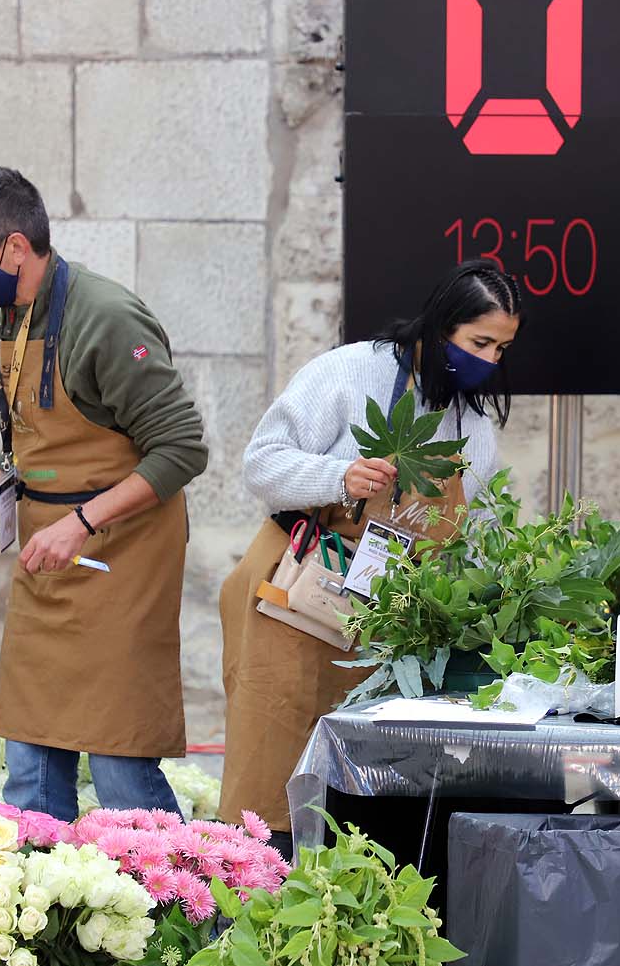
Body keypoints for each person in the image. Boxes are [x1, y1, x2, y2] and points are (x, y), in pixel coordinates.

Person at [219, 259, 522, 855]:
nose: (489, 360)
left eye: (502, 348)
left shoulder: (475, 425)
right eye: (479, 342)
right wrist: (341, 477)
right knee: (271, 773)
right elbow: (262, 462)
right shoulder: (348, 371)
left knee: (362, 795)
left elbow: (475, 527)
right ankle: (249, 919)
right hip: (293, 599)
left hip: (382, 622)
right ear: (440, 328)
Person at [0, 167, 206, 822]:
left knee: (119, 766)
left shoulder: (106, 318)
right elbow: (22, 451)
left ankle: (180, 914)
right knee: (29, 767)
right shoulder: (1, 330)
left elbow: (182, 449)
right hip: (45, 553)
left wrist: (81, 524)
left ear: (16, 247)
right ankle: (42, 915)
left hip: (123, 550)